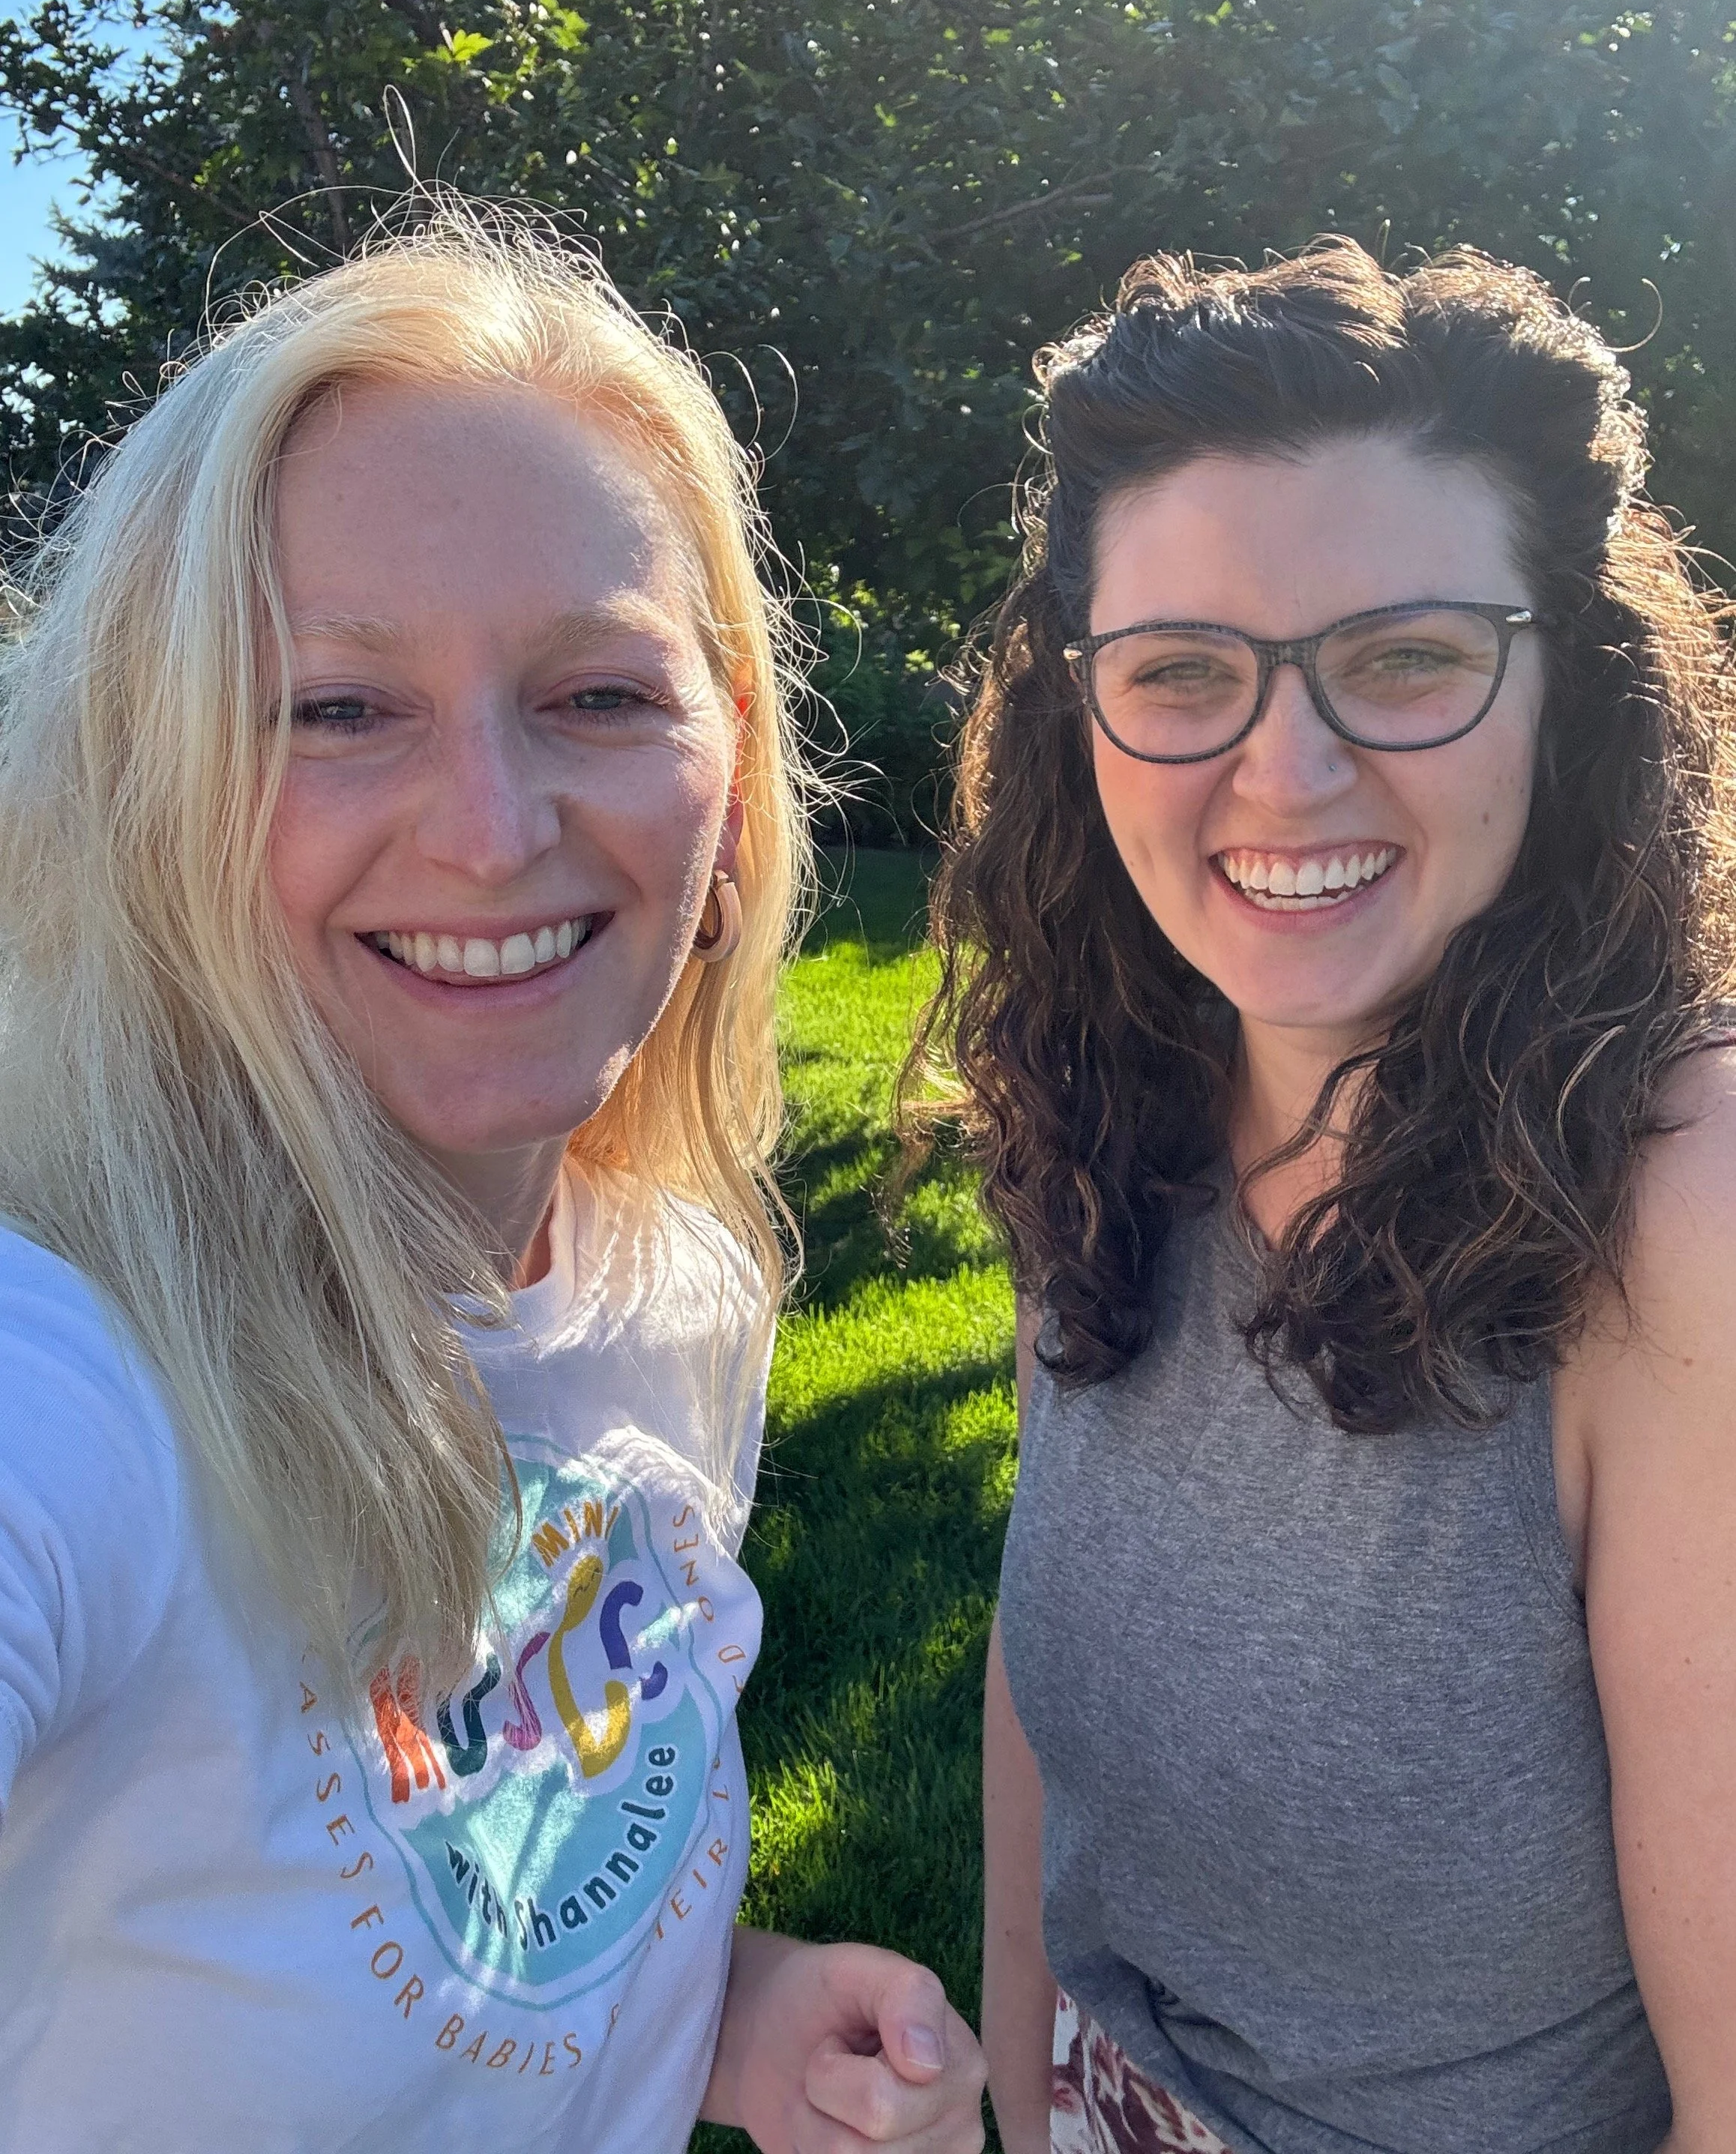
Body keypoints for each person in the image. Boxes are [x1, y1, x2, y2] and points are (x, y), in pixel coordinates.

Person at [0, 215, 986, 2154]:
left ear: (731, 782)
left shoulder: (674, 1286)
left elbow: (486, 1893)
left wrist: (723, 2015)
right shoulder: (74, 1384)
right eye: (337, 709)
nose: (491, 829)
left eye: (598, 695)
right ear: (152, 796)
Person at [908, 238, 1736, 2153]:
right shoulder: (1113, 1096)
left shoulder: (1675, 1204)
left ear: (1570, 689)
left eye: (1408, 659)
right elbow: (1045, 1732)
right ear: (1078, 713)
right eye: (1182, 673)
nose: (1287, 772)